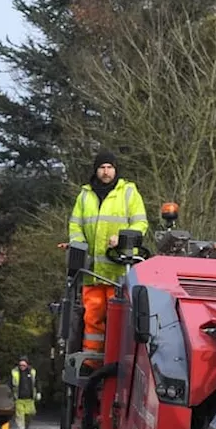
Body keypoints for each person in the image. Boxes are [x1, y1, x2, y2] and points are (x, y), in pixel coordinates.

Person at [67, 150, 148, 358]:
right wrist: (79, 247)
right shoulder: (84, 196)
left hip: (119, 272)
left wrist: (122, 238)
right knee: (92, 320)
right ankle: (92, 362)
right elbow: (75, 227)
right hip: (91, 272)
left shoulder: (128, 192)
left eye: (109, 167)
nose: (106, 171)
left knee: (119, 320)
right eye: (102, 167)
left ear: (116, 169)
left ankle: (117, 360)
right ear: (96, 170)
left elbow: (140, 224)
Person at [9, 356, 39, 429]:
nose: (22, 367)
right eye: (21, 365)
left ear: (27, 365)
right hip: (19, 398)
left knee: (29, 413)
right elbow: (10, 383)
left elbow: (36, 383)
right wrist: (10, 393)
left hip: (30, 398)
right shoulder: (14, 372)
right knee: (19, 414)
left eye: (24, 365)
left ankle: (27, 427)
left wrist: (38, 392)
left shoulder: (32, 372)